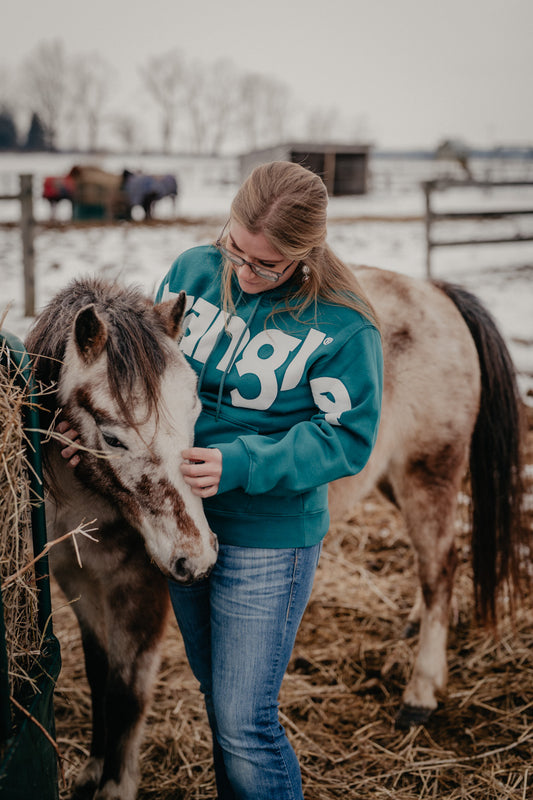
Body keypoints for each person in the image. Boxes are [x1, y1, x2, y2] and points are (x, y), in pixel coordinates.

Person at [153, 160, 383, 800]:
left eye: (267, 265)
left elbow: (347, 437)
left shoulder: (343, 324)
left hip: (268, 539)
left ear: (307, 254)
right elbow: (141, 375)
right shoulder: (192, 273)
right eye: (236, 250)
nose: (245, 273)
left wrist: (242, 462)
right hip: (186, 521)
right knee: (219, 700)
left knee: (245, 723)